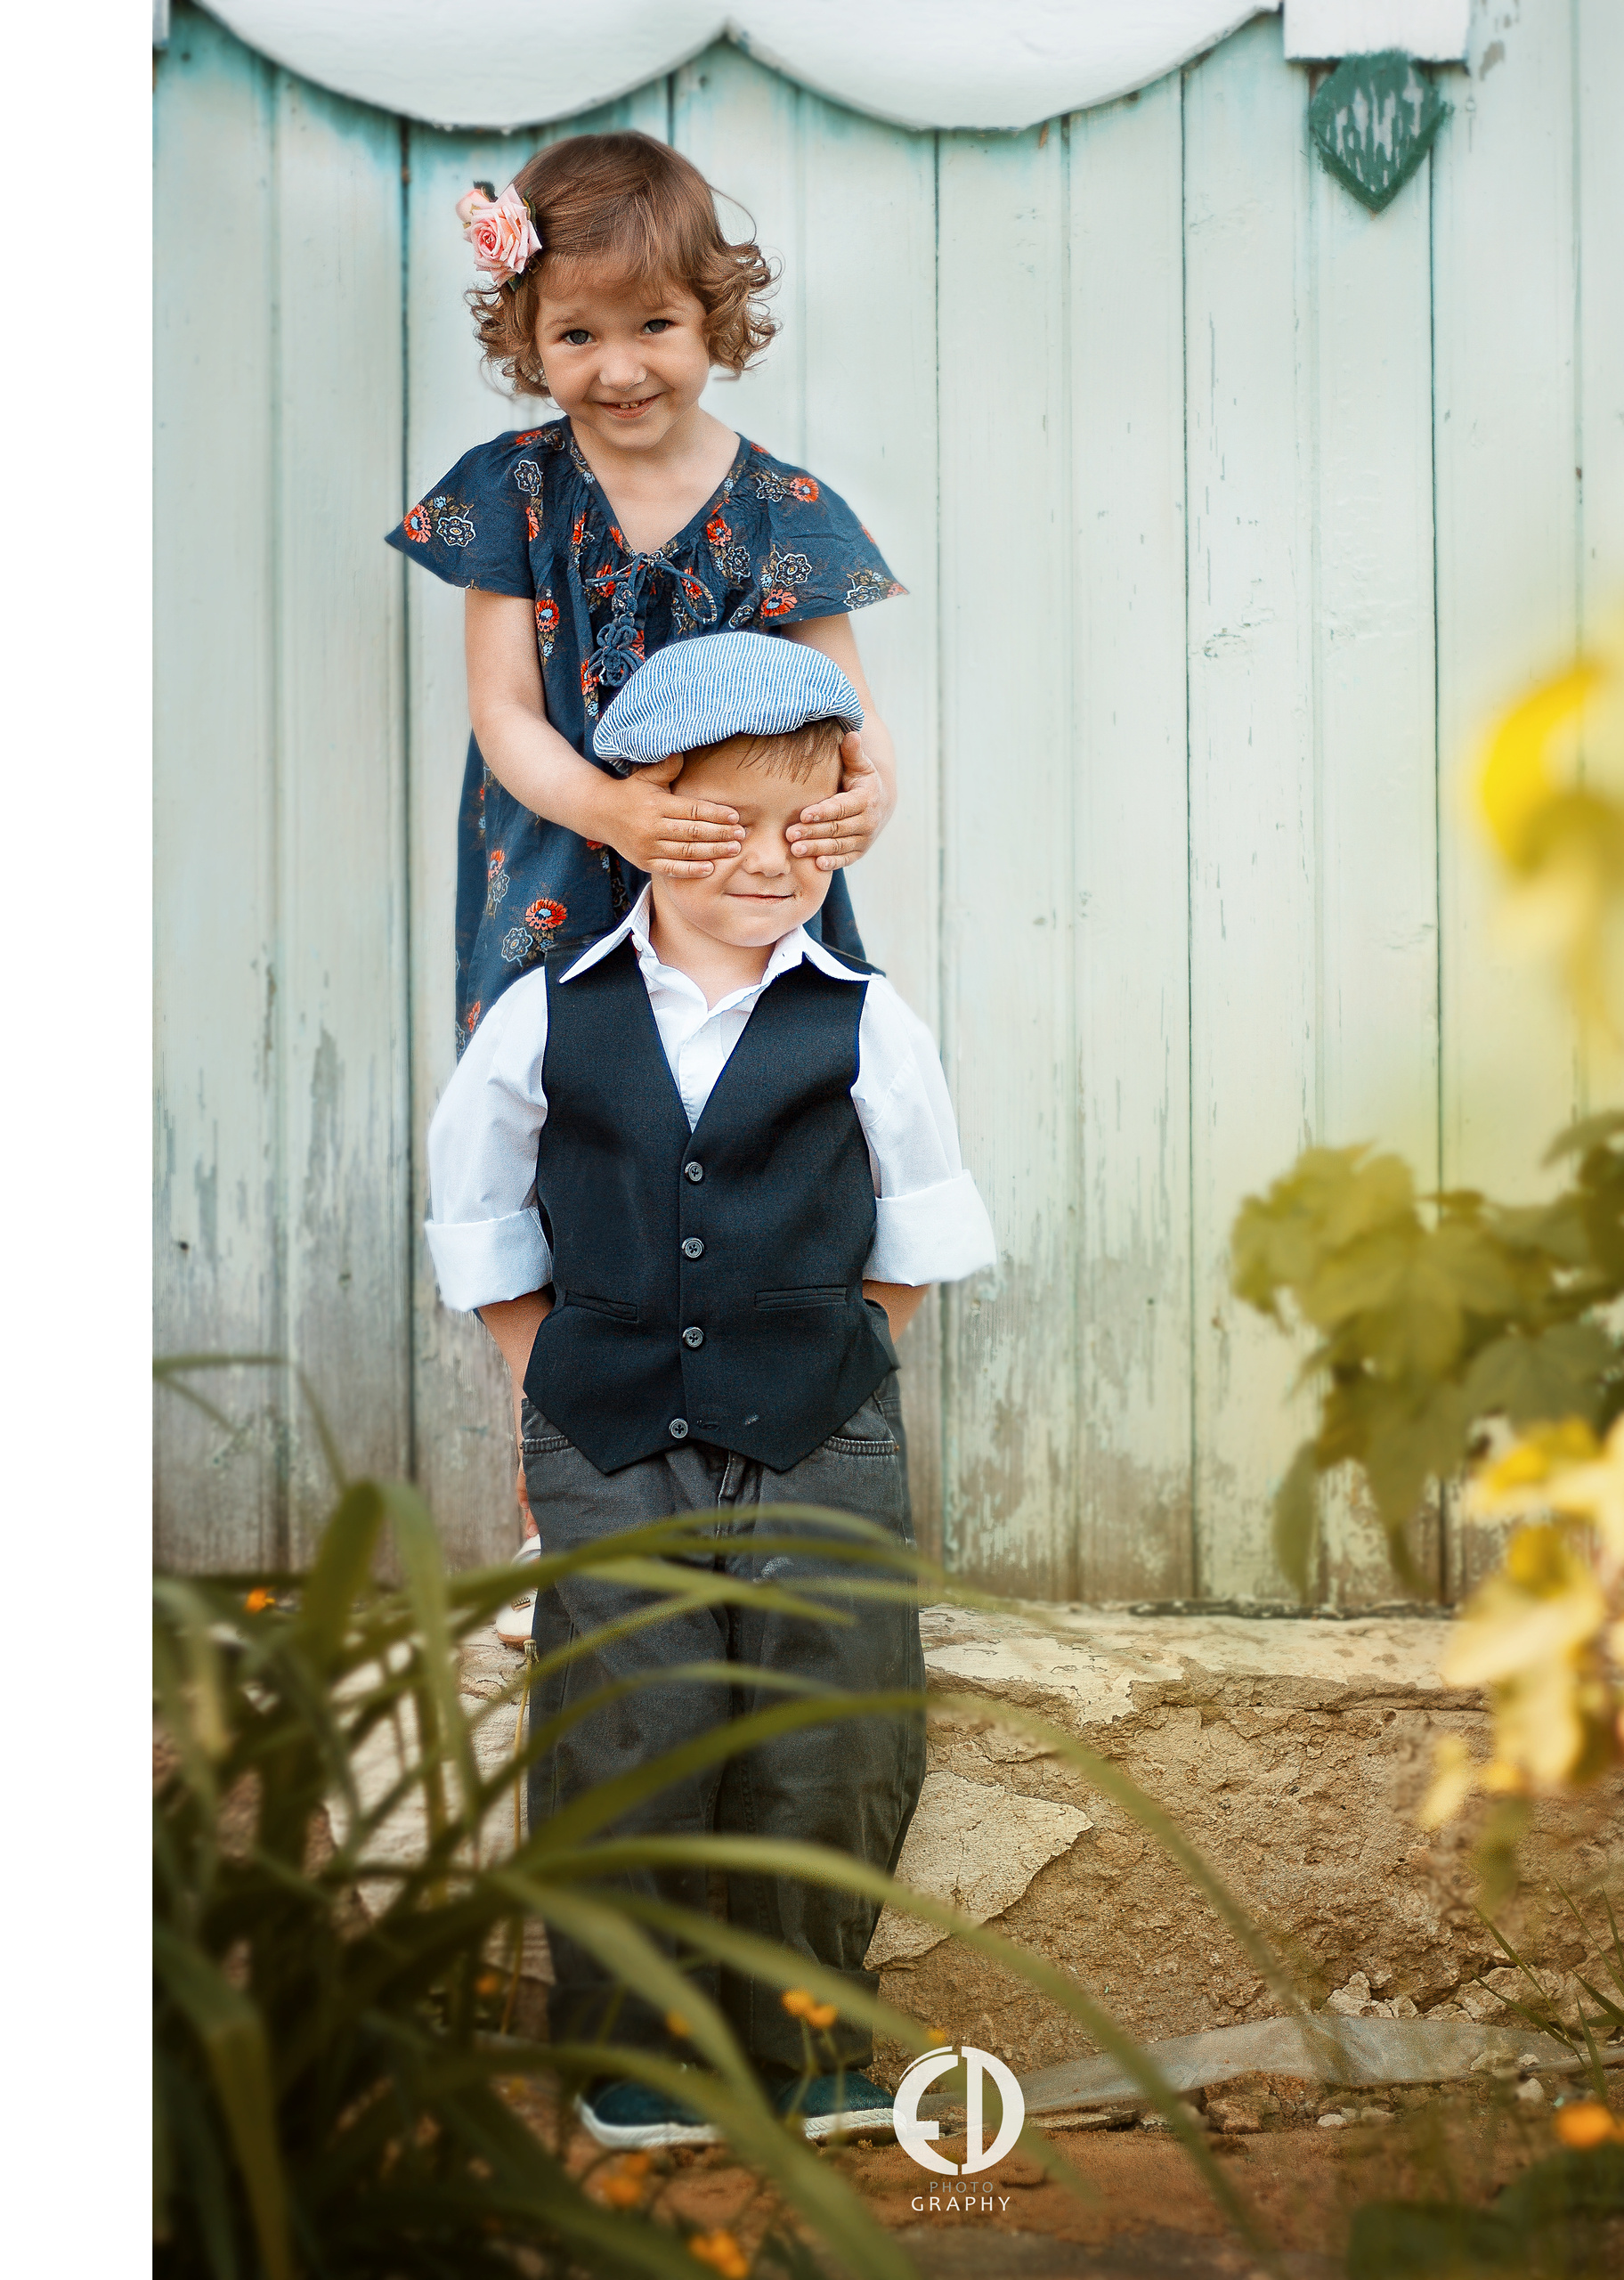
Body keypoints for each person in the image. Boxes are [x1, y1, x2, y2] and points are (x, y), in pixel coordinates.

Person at [425, 632, 996, 2151]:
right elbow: (478, 1213)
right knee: (630, 1714)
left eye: (802, 829)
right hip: (606, 1425)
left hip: (818, 1421)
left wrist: (829, 1353)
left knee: (835, 1719)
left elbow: (918, 1220)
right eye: (725, 824)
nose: (766, 861)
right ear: (644, 813)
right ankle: (636, 2055)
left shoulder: (864, 1018)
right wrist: (544, 1369)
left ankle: (807, 2040)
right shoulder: (547, 1015)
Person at [387, 131, 907, 1053]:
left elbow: (848, 707)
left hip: (745, 869)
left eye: (654, 325)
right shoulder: (514, 493)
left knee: (755, 1081)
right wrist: (611, 811)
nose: (619, 369)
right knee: (551, 1085)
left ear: (712, 314)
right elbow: (503, 711)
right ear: (528, 335)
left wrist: (871, 795)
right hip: (563, 858)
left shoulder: (784, 510)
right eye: (578, 335)